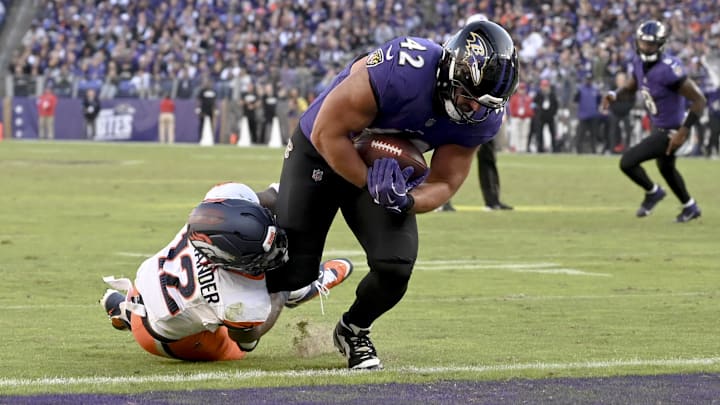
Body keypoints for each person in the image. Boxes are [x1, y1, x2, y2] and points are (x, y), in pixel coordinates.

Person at [266, 20, 518, 370]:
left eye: (484, 104)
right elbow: (328, 133)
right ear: (449, 73)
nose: (474, 110)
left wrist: (405, 199)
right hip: (322, 149)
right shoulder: (402, 69)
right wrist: (370, 182)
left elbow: (444, 183)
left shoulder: (483, 116)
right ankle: (269, 203)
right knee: (291, 278)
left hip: (383, 173)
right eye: (469, 98)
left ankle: (353, 330)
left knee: (395, 265)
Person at [99, 182, 353, 361]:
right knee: (235, 348)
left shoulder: (215, 211)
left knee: (237, 294)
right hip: (168, 341)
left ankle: (124, 309)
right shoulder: (238, 301)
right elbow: (247, 341)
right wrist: (284, 291)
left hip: (145, 284)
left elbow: (273, 196)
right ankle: (302, 288)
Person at [601, 20, 706, 222]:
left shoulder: (669, 69)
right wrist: (615, 94)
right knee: (666, 168)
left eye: (651, 44)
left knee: (627, 162)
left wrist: (683, 132)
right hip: (660, 126)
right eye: (643, 43)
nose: (646, 47)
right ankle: (690, 207)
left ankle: (653, 192)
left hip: (672, 130)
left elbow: (699, 100)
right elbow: (632, 87)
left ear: (661, 44)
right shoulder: (638, 63)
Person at [531, 79, 559, 153]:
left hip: (550, 117)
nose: (544, 88)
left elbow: (556, 105)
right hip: (541, 117)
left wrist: (553, 113)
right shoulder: (538, 95)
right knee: (539, 133)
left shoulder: (552, 94)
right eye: (543, 86)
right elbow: (533, 105)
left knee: (552, 133)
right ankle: (540, 148)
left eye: (546, 86)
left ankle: (555, 148)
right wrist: (537, 113)